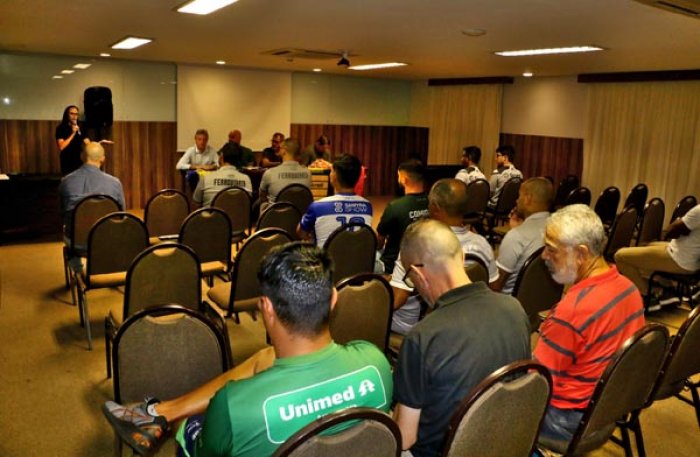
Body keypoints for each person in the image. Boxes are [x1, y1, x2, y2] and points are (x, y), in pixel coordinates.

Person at [102, 243, 393, 457]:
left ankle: (164, 417)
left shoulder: (233, 405)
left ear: (266, 308)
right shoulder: (376, 363)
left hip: (225, 423)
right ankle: (158, 412)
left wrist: (188, 428)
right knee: (267, 357)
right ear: (333, 299)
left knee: (190, 425)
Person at [392, 219, 531, 456]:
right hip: (503, 442)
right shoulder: (515, 308)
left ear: (418, 274)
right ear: (462, 256)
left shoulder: (422, 337)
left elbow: (405, 438)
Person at [535, 204, 645, 446]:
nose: (544, 256)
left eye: (551, 249)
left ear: (581, 254)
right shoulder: (629, 289)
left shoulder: (572, 312)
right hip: (608, 408)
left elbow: (536, 384)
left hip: (568, 421)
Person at [390, 178, 498, 336]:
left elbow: (397, 300)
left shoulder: (417, 244)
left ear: (435, 207)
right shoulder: (482, 245)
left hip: (417, 330)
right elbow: (493, 289)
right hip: (467, 324)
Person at [614, 203, 700, 308]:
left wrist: (678, 222)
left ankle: (649, 295)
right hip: (691, 260)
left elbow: (672, 231)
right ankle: (667, 287)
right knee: (646, 245)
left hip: (680, 259)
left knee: (620, 256)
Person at [59, 142, 125, 267]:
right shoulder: (115, 183)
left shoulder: (66, 182)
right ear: (103, 158)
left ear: (82, 157)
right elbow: (122, 215)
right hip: (107, 241)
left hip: (77, 243)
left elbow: (62, 214)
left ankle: (77, 270)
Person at [490, 177, 553, 295]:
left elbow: (495, 286)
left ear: (528, 199)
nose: (517, 201)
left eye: (519, 196)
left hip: (511, 303)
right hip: (546, 300)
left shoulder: (516, 237)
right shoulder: (560, 230)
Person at [298, 154, 372, 247]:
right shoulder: (368, 206)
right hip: (357, 256)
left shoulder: (317, 206)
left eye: (331, 170)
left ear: (334, 175)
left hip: (326, 256)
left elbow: (301, 233)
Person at [377, 159, 429, 274]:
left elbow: (379, 242)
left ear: (404, 179)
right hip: (425, 259)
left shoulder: (395, 206)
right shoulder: (433, 203)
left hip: (393, 264)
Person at [258, 138, 312, 213]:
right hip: (299, 216)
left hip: (275, 216)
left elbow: (262, 196)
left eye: (280, 148)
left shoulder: (270, 173)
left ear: (284, 151)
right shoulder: (308, 173)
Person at [56, 105, 90, 175]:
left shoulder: (80, 127)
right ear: (67, 115)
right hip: (66, 159)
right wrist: (73, 133)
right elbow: (61, 147)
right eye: (72, 114)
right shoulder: (61, 128)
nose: (74, 116)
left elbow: (88, 143)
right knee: (69, 179)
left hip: (78, 158)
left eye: (76, 114)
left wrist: (99, 144)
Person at [487, 144, 523, 209]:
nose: (495, 159)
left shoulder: (497, 173)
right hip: (510, 208)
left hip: (495, 207)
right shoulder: (519, 174)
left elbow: (489, 192)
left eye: (498, 156)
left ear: (505, 158)